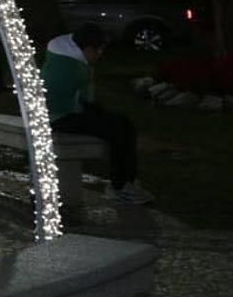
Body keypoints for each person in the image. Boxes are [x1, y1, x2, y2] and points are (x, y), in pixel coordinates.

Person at [41, 24, 154, 205]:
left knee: (121, 125)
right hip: (60, 117)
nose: (101, 54)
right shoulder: (75, 68)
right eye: (100, 50)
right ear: (87, 49)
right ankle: (122, 186)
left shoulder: (59, 53)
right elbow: (86, 102)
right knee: (120, 129)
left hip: (51, 113)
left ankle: (125, 183)